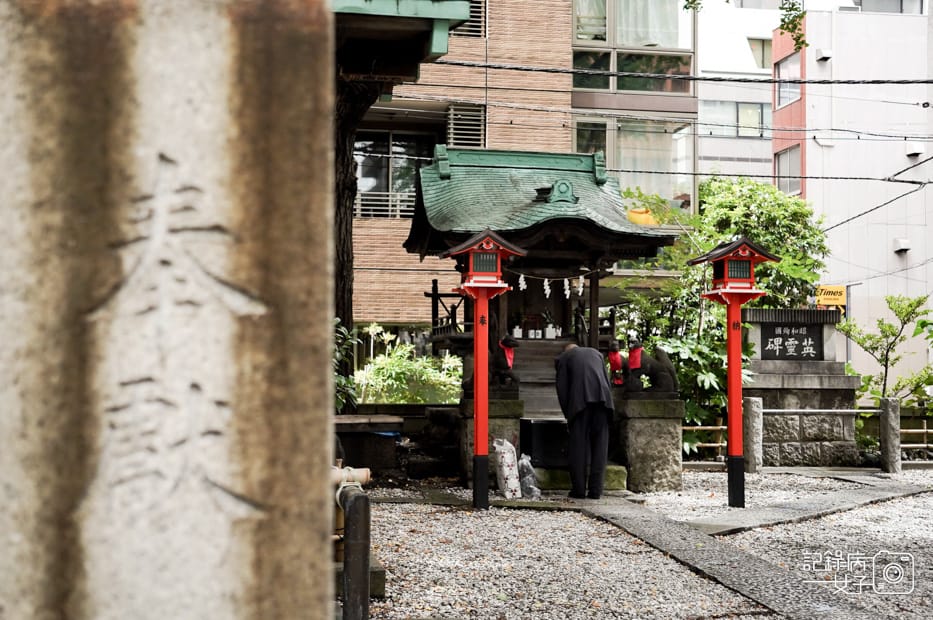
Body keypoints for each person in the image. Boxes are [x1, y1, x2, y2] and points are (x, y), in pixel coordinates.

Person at [554, 343, 615, 499]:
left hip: (580, 403)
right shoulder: (596, 353)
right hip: (603, 401)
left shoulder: (564, 357)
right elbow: (606, 380)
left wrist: (568, 414)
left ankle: (579, 490)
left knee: (578, 446)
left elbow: (562, 388)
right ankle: (596, 490)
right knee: (600, 446)